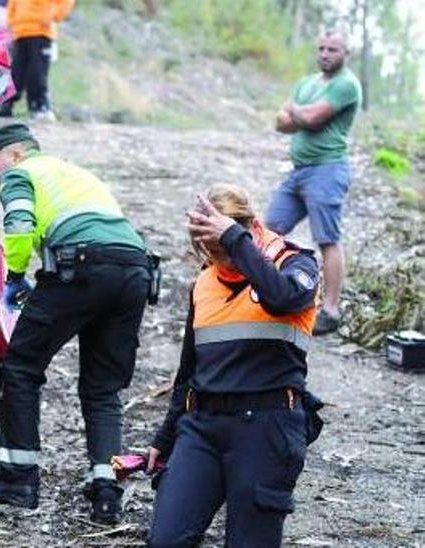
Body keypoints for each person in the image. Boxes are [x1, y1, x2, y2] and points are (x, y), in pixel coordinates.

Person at [0, 124, 151, 525]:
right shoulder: (74, 173)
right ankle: (107, 491)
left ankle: (20, 478)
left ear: (15, 154)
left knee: (20, 366)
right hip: (135, 269)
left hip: (83, 265)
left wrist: (14, 276)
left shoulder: (22, 173)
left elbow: (18, 224)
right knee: (103, 387)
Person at [147, 184, 320, 547]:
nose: (218, 258)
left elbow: (284, 299)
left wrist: (236, 242)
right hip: (203, 426)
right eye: (208, 248)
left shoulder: (297, 264)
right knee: (166, 539)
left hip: (266, 425)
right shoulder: (204, 283)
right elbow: (189, 370)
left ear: (251, 228)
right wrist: (165, 439)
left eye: (221, 246)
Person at [268, 31, 361, 336]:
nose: (324, 53)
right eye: (320, 48)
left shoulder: (346, 84)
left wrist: (296, 110)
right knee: (269, 230)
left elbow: (310, 118)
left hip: (327, 170)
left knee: (327, 239)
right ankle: (269, 291)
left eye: (332, 49)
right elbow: (279, 122)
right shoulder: (307, 83)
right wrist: (299, 113)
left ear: (346, 53)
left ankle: (331, 311)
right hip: (298, 171)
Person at [0, 0, 74, 120]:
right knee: (16, 72)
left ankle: (40, 106)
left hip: (42, 32)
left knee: (37, 72)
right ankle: (6, 105)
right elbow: (12, 4)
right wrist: (11, 21)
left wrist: (53, 15)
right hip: (20, 33)